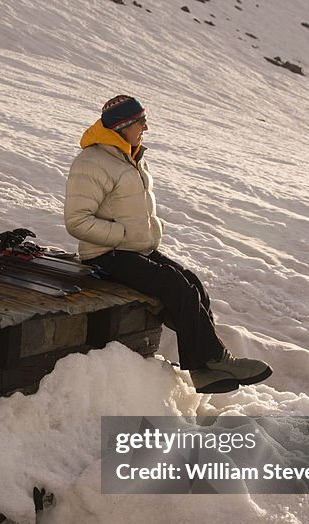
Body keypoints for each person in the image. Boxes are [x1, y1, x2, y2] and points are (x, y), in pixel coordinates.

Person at [64, 95, 272, 393]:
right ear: (122, 126)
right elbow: (77, 221)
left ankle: (204, 371)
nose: (146, 127)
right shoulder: (93, 162)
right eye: (140, 122)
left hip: (134, 250)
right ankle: (217, 359)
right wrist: (122, 235)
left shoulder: (131, 156)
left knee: (192, 284)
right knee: (174, 285)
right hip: (105, 254)